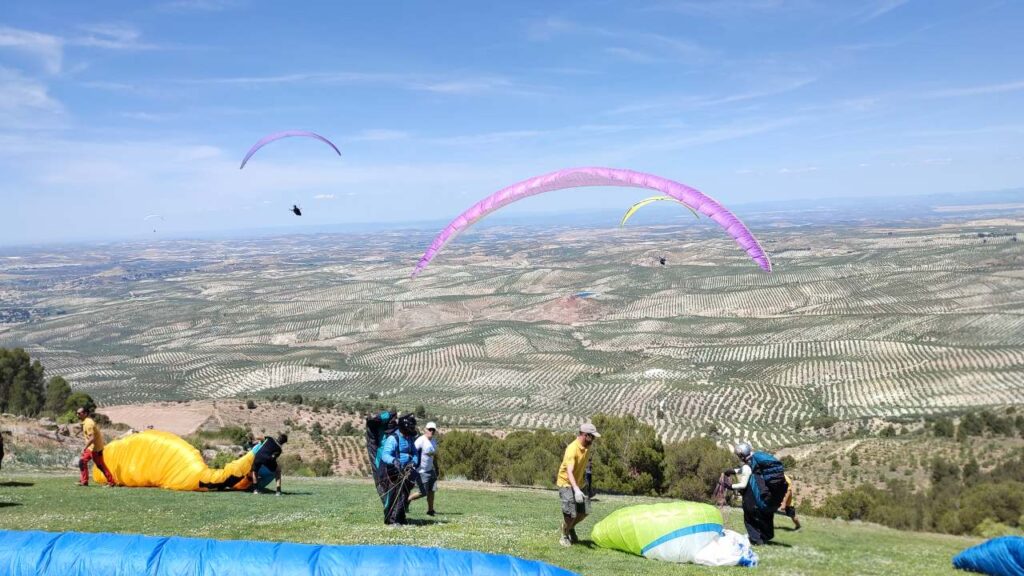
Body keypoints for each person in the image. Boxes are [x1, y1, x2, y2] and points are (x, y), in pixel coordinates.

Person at [724, 442, 787, 545]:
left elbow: (744, 478)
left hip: (756, 494)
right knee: (766, 515)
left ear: (741, 455)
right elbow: (744, 470)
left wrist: (730, 486)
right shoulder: (756, 459)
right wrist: (733, 471)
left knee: (749, 516)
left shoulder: (750, 463)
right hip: (769, 496)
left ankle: (756, 540)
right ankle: (766, 537)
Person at [557, 422, 600, 547]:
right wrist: (575, 490)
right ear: (585, 435)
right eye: (592, 436)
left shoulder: (587, 447)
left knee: (584, 511)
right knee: (570, 513)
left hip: (579, 483)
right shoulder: (572, 449)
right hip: (566, 483)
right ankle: (564, 535)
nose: (594, 439)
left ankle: (570, 528)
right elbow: (569, 471)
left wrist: (585, 485)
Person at [379, 414, 419, 525]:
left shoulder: (410, 438)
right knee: (395, 495)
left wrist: (413, 462)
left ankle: (400, 517)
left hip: (406, 471)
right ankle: (392, 520)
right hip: (393, 472)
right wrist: (394, 461)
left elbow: (415, 453)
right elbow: (385, 455)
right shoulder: (393, 438)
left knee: (404, 495)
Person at [77, 407, 115, 487]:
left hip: (96, 449)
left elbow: (92, 438)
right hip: (90, 448)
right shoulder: (85, 422)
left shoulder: (89, 423)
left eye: (79, 413)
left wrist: (84, 447)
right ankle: (84, 481)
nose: (77, 415)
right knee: (82, 462)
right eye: (77, 413)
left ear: (85, 414)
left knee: (100, 465)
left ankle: (111, 482)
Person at [408, 421, 439, 516]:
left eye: (433, 430)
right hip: (421, 471)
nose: (431, 431)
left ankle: (430, 510)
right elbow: (412, 452)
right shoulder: (420, 440)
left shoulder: (433, 441)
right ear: (425, 430)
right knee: (423, 492)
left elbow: (434, 456)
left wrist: (436, 467)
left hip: (431, 470)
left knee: (432, 490)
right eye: (430, 429)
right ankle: (407, 500)